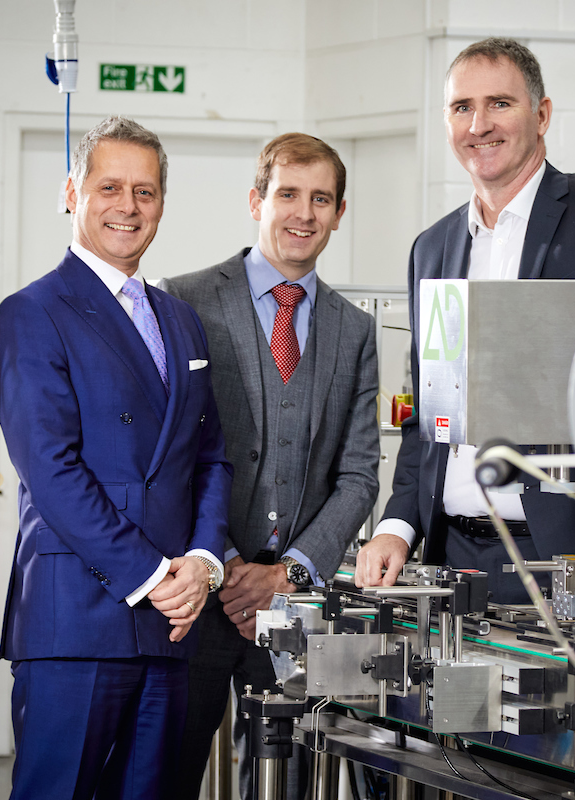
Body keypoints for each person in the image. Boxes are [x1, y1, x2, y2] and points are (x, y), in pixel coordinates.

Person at [355, 38, 575, 602]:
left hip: (569, 559)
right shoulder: (433, 248)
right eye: (461, 108)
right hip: (452, 559)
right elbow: (428, 413)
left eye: (499, 103)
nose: (479, 125)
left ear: (542, 114)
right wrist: (396, 527)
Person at [0, 116, 232, 800]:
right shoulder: (32, 313)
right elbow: (51, 469)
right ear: (72, 192)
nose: (128, 206)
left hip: (172, 621)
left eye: (146, 192)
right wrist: (153, 573)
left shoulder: (179, 318)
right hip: (77, 619)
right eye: (110, 187)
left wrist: (204, 564)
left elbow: (209, 455)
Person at [158, 133, 379, 800]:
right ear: (257, 200)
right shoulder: (184, 300)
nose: (303, 214)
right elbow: (169, 458)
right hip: (196, 598)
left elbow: (360, 471)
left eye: (321, 199)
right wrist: (224, 568)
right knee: (166, 773)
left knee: (285, 782)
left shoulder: (355, 328)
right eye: (288, 194)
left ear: (340, 212)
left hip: (296, 604)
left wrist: (289, 573)